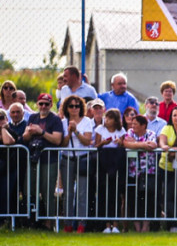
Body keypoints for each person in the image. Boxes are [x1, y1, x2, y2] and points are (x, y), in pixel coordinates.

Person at [22, 93, 64, 226]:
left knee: (47, 191)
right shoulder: (33, 117)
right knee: (30, 189)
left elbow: (57, 140)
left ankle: (49, 222)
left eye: (47, 103)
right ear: (37, 104)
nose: (43, 106)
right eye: (41, 103)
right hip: (34, 158)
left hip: (49, 159)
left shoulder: (55, 119)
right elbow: (25, 138)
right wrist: (28, 133)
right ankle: (32, 220)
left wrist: (41, 132)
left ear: (51, 105)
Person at [59, 95, 94, 233]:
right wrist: (68, 133)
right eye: (71, 106)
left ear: (81, 107)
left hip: (82, 159)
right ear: (66, 108)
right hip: (67, 159)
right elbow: (63, 143)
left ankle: (81, 224)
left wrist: (76, 131)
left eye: (77, 106)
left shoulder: (86, 121)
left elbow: (87, 141)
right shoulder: (63, 122)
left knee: (81, 193)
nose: (74, 109)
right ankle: (67, 224)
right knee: (67, 193)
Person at [124, 114, 160, 232]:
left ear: (143, 125)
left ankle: (145, 226)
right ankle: (137, 227)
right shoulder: (130, 132)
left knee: (148, 199)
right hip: (133, 172)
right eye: (132, 123)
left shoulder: (151, 134)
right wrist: (143, 144)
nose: (132, 126)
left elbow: (153, 145)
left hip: (148, 171)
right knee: (133, 199)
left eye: (135, 124)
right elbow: (126, 144)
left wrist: (135, 143)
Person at [92, 108, 126, 233]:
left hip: (116, 161)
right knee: (103, 192)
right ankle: (106, 225)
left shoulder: (121, 130)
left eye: (110, 118)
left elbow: (123, 144)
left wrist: (120, 142)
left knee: (115, 192)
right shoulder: (100, 129)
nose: (107, 120)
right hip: (103, 161)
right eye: (106, 117)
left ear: (116, 120)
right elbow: (96, 145)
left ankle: (115, 224)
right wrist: (103, 142)